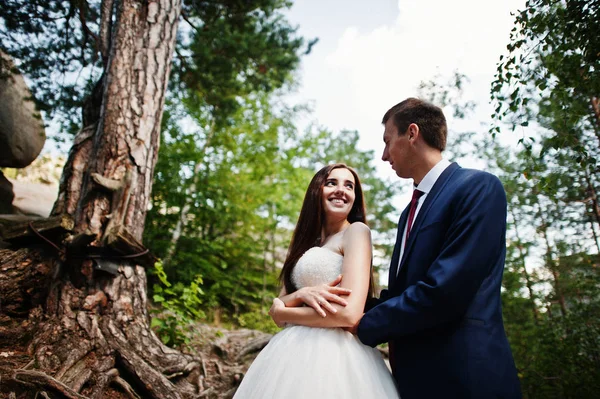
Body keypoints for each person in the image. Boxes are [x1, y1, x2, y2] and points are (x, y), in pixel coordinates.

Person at [353, 98, 522, 398]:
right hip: (414, 383)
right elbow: (403, 293)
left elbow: (444, 291)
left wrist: (363, 324)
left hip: (466, 379)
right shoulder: (408, 213)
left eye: (387, 141)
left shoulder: (478, 188)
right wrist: (342, 308)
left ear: (412, 133)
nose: (383, 155)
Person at [233, 164, 399, 399]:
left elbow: (349, 315)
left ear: (355, 197)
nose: (341, 190)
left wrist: (284, 314)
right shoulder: (305, 242)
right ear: (317, 190)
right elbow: (279, 302)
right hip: (289, 355)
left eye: (349, 186)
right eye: (332, 183)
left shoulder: (356, 232)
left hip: (337, 356)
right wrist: (301, 295)